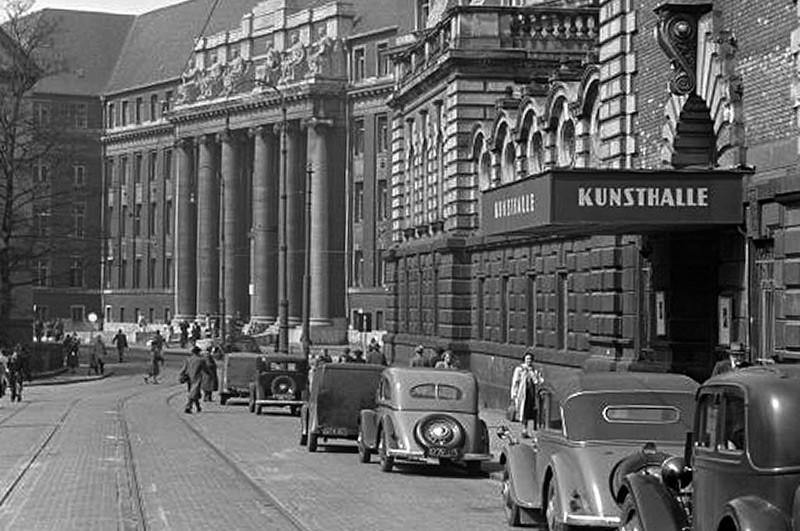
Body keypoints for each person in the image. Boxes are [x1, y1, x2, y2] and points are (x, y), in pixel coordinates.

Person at [510, 351, 544, 438]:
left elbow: (539, 381)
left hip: (532, 394)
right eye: (527, 359)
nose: (529, 360)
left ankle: (531, 430)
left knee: (531, 412)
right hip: (522, 394)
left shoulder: (534, 370)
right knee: (524, 412)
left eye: (530, 359)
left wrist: (534, 374)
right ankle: (524, 430)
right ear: (524, 359)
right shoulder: (519, 369)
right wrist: (514, 394)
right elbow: (515, 382)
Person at [179, 346, 211, 414]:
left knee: (194, 393)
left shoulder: (188, 359)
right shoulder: (201, 360)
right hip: (197, 378)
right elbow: (205, 369)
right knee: (193, 393)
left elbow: (183, 369)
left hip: (189, 378)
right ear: (198, 352)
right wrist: (209, 374)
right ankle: (188, 407)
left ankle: (198, 407)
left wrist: (181, 376)